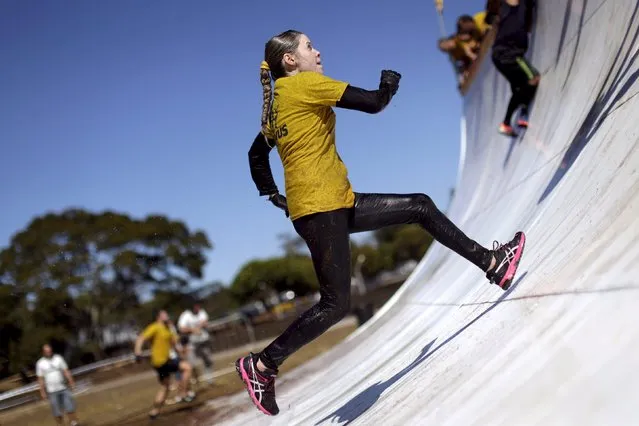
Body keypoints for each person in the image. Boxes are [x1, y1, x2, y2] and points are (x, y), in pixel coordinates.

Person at [236, 29, 527, 416]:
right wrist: (388, 85)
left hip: (333, 203)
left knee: (419, 206)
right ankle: (262, 366)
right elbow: (373, 104)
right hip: (322, 208)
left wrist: (274, 197)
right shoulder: (306, 85)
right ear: (290, 60)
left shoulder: (277, 104)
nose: (318, 51)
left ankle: (494, 265)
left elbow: (257, 155)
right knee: (336, 304)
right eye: (309, 46)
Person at [491, 0, 540, 136]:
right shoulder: (508, 6)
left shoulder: (524, 6)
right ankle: (521, 113)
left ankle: (507, 122)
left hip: (502, 54)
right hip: (508, 53)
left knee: (520, 86)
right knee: (533, 78)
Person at [134, 310, 194, 419]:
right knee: (187, 368)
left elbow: (175, 344)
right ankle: (183, 394)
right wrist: (138, 353)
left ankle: (154, 412)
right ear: (158, 317)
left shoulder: (168, 329)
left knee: (165, 387)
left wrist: (182, 352)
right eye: (164, 314)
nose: (167, 316)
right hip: (161, 361)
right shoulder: (155, 327)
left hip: (164, 362)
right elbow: (141, 338)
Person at [35, 344, 80, 426]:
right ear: (43, 352)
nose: (49, 352)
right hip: (51, 391)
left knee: (70, 407)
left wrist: (71, 382)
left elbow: (66, 371)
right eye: (46, 351)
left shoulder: (58, 358)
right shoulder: (40, 363)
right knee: (57, 412)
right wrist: (42, 392)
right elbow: (40, 379)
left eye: (50, 350)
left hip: (63, 388)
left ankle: (74, 423)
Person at [177, 302, 215, 384]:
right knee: (191, 363)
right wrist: (193, 330)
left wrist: (198, 327)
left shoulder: (202, 312)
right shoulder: (185, 315)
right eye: (196, 306)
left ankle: (210, 380)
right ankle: (195, 380)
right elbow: (181, 328)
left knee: (208, 360)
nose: (198, 308)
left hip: (203, 340)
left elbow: (205, 321)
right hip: (192, 343)